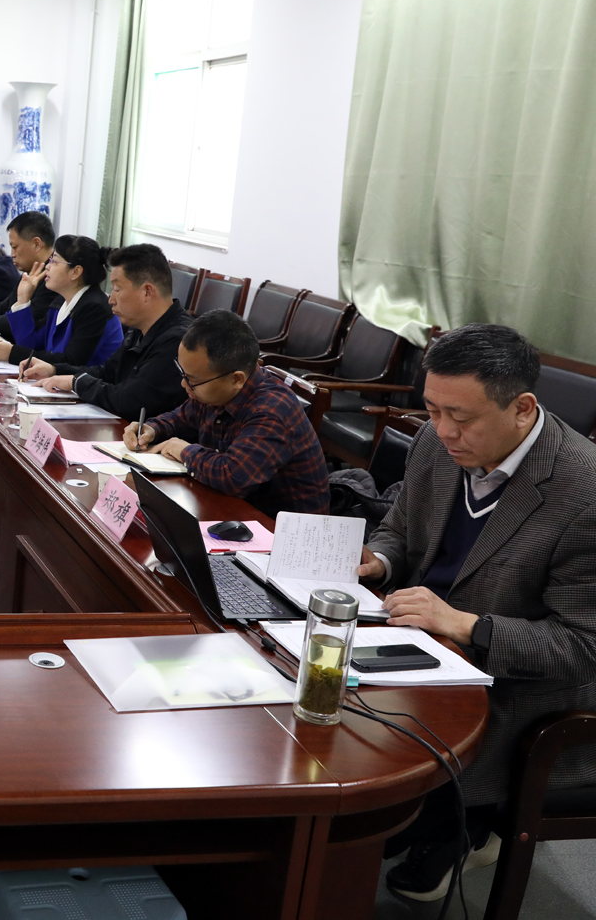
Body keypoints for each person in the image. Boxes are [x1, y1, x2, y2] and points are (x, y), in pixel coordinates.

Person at [355, 324, 596, 902]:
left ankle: (461, 827)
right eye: (433, 410)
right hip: (418, 638)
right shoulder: (435, 441)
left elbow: (583, 647)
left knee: (376, 809)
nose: (443, 431)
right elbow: (400, 527)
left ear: (522, 408)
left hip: (512, 681)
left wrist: (466, 626)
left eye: (460, 417)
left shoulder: (584, 491)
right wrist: (380, 563)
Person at [125, 311, 328, 516]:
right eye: (182, 373)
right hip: (232, 508)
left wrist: (184, 451)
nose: (183, 384)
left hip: (277, 526)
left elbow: (233, 476)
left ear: (236, 379)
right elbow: (180, 418)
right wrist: (151, 429)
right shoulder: (215, 390)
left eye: (192, 380)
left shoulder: (271, 411)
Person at [23, 243, 193, 420]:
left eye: (117, 289)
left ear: (147, 292)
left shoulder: (179, 340)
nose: (111, 299)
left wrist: (76, 382)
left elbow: (131, 401)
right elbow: (108, 373)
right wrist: (54, 370)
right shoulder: (139, 328)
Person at [0, 232, 120, 367]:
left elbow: (70, 362)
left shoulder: (94, 308)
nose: (47, 266)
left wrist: (13, 353)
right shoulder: (60, 303)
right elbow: (31, 344)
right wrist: (23, 300)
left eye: (55, 261)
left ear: (75, 272)